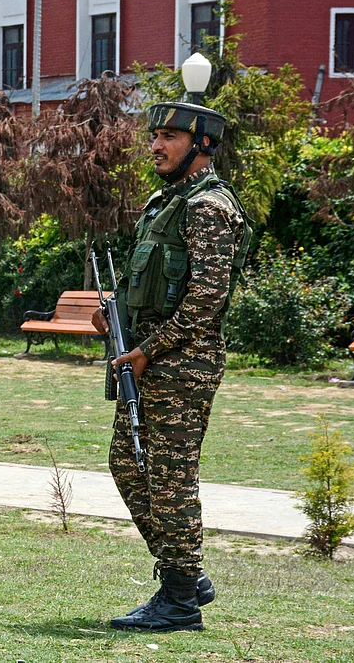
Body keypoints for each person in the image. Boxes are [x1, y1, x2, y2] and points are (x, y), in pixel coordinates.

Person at [93, 102, 251, 633]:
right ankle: (186, 575)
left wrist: (149, 348)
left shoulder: (209, 207)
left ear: (202, 145)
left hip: (183, 363)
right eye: (155, 135)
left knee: (170, 477)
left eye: (170, 137)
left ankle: (181, 599)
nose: (157, 145)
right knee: (128, 465)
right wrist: (114, 314)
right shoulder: (166, 202)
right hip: (147, 358)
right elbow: (148, 279)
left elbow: (207, 298)